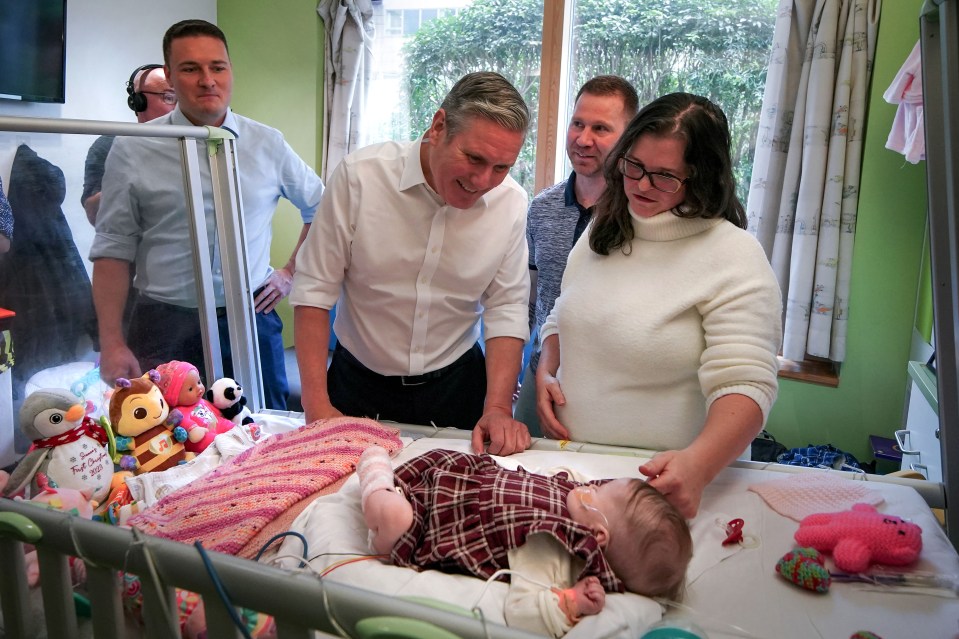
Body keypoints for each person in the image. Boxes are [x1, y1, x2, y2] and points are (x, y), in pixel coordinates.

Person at [536, 93, 782, 518]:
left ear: (702, 178)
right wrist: (547, 369)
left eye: (665, 176)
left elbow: (746, 384)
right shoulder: (606, 225)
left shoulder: (733, 254)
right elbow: (564, 311)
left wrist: (698, 467)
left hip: (664, 481)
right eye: (634, 166)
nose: (641, 186)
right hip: (575, 465)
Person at [291, 71, 531, 455]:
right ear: (438, 126)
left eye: (501, 167)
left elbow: (506, 306)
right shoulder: (361, 178)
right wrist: (316, 404)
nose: (484, 179)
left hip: (458, 384)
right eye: (474, 158)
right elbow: (314, 291)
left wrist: (499, 407)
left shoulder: (512, 204)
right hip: (356, 382)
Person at [90, 19, 324, 410]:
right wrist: (112, 341)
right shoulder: (134, 149)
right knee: (167, 442)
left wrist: (288, 274)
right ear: (171, 80)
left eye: (217, 67)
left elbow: (322, 209)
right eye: (190, 68)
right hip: (164, 324)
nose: (207, 80)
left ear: (230, 71)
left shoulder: (267, 143)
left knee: (265, 436)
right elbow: (113, 248)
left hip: (250, 318)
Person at [357, 446, 692, 638]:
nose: (591, 486)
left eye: (597, 492)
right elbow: (569, 485)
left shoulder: (549, 545)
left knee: (394, 521)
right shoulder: (581, 504)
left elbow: (523, 612)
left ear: (597, 535)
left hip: (432, 520)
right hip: (457, 481)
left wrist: (570, 603)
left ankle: (376, 482)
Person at [514, 75, 638, 434]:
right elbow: (528, 301)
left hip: (611, 385)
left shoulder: (641, 214)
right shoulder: (541, 208)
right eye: (578, 124)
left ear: (629, 137)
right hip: (541, 375)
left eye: (601, 128)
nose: (584, 140)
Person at [81, 64, 177, 226]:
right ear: (138, 102)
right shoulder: (111, 144)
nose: (177, 106)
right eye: (169, 97)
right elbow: (94, 215)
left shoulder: (192, 140)